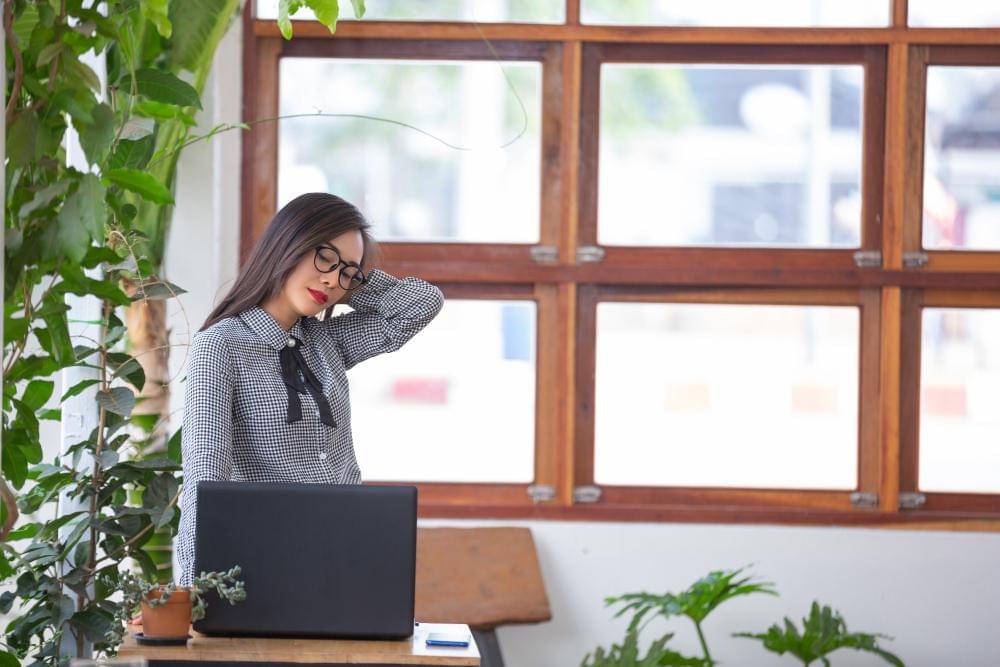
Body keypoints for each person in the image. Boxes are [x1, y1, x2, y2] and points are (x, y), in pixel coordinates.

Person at [174, 192, 444, 586]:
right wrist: (190, 590)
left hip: (348, 553)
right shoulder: (221, 345)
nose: (332, 280)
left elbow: (420, 304)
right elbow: (205, 468)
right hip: (264, 562)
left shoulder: (326, 341)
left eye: (346, 272)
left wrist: (355, 282)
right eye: (324, 257)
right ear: (288, 244)